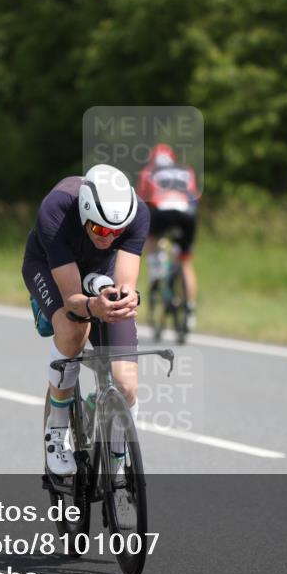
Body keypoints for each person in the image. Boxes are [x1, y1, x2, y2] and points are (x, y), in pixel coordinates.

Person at [22, 163, 150, 485]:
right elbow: (72, 298)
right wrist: (93, 306)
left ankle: (118, 455)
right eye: (100, 230)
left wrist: (125, 299)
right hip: (52, 268)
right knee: (75, 328)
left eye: (116, 232)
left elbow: (125, 280)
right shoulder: (57, 208)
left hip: (99, 272)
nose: (109, 237)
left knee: (127, 384)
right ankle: (58, 422)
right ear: (85, 213)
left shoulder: (138, 215)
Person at [136, 143, 199, 329]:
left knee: (152, 240)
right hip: (187, 213)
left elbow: (142, 201)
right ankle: (190, 310)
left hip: (161, 212)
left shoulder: (149, 171)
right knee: (186, 262)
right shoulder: (186, 170)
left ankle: (157, 267)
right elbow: (195, 197)